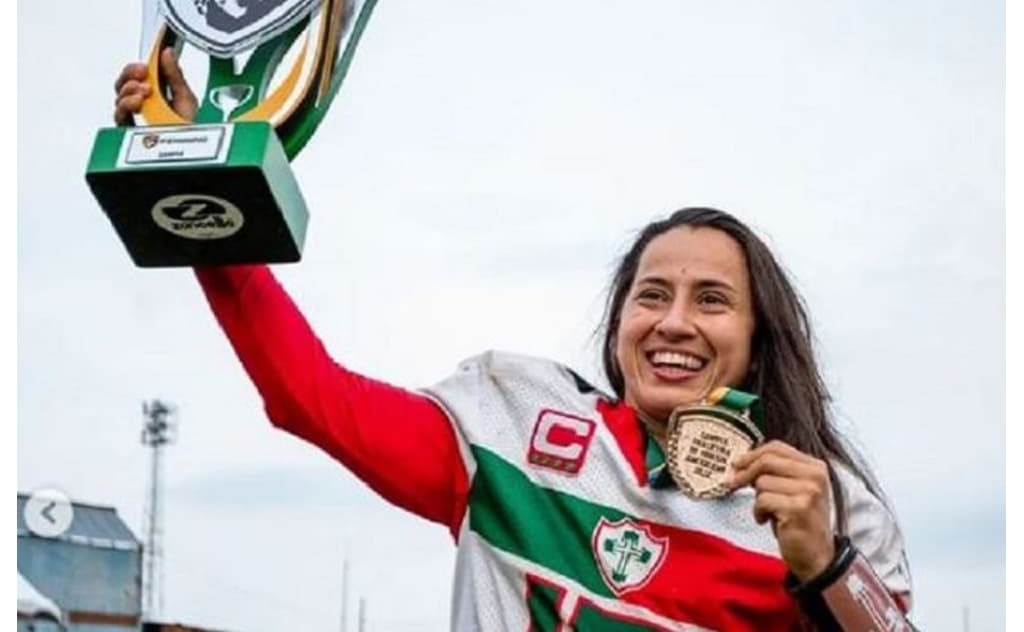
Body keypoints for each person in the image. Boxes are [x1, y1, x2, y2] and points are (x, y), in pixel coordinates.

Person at [114, 53, 919, 631]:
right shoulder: (516, 428)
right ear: (618, 326)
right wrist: (205, 186)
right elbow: (309, 395)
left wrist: (826, 568)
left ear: (758, 339)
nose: (673, 321)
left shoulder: (832, 505)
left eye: (712, 301)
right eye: (651, 295)